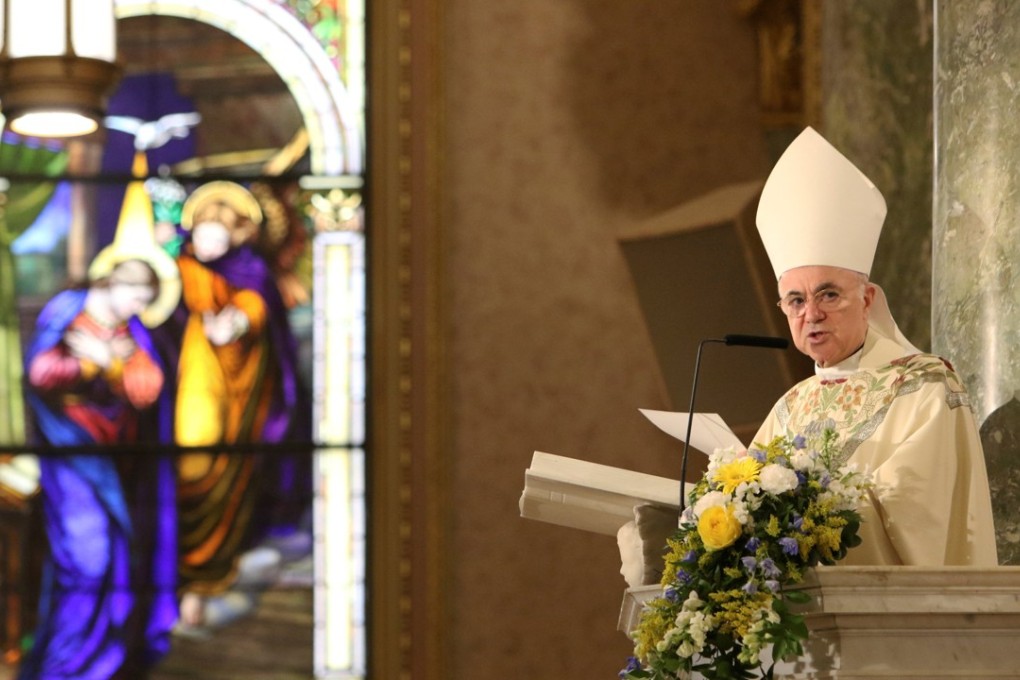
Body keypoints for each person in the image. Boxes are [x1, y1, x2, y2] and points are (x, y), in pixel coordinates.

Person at [751, 126, 997, 566]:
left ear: (867, 300)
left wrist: (805, 516)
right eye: (796, 301)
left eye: (828, 294)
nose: (812, 314)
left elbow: (917, 509)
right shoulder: (790, 406)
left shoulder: (925, 386)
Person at [20, 249, 179, 679]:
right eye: (135, 295)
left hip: (115, 466)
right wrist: (95, 362)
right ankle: (65, 665)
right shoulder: (67, 314)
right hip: (70, 458)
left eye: (146, 299)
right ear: (110, 284)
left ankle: (99, 663)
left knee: (114, 561)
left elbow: (147, 390)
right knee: (88, 559)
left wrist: (111, 363)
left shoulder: (131, 333)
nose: (139, 307)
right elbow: (41, 373)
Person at [173, 181, 307, 632]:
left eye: (218, 235)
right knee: (189, 463)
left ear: (237, 236)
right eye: (202, 233)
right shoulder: (181, 268)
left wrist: (239, 320)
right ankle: (183, 580)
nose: (207, 242)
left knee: (222, 465)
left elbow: (256, 311)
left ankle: (211, 575)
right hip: (190, 387)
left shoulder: (251, 272)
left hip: (240, 400)